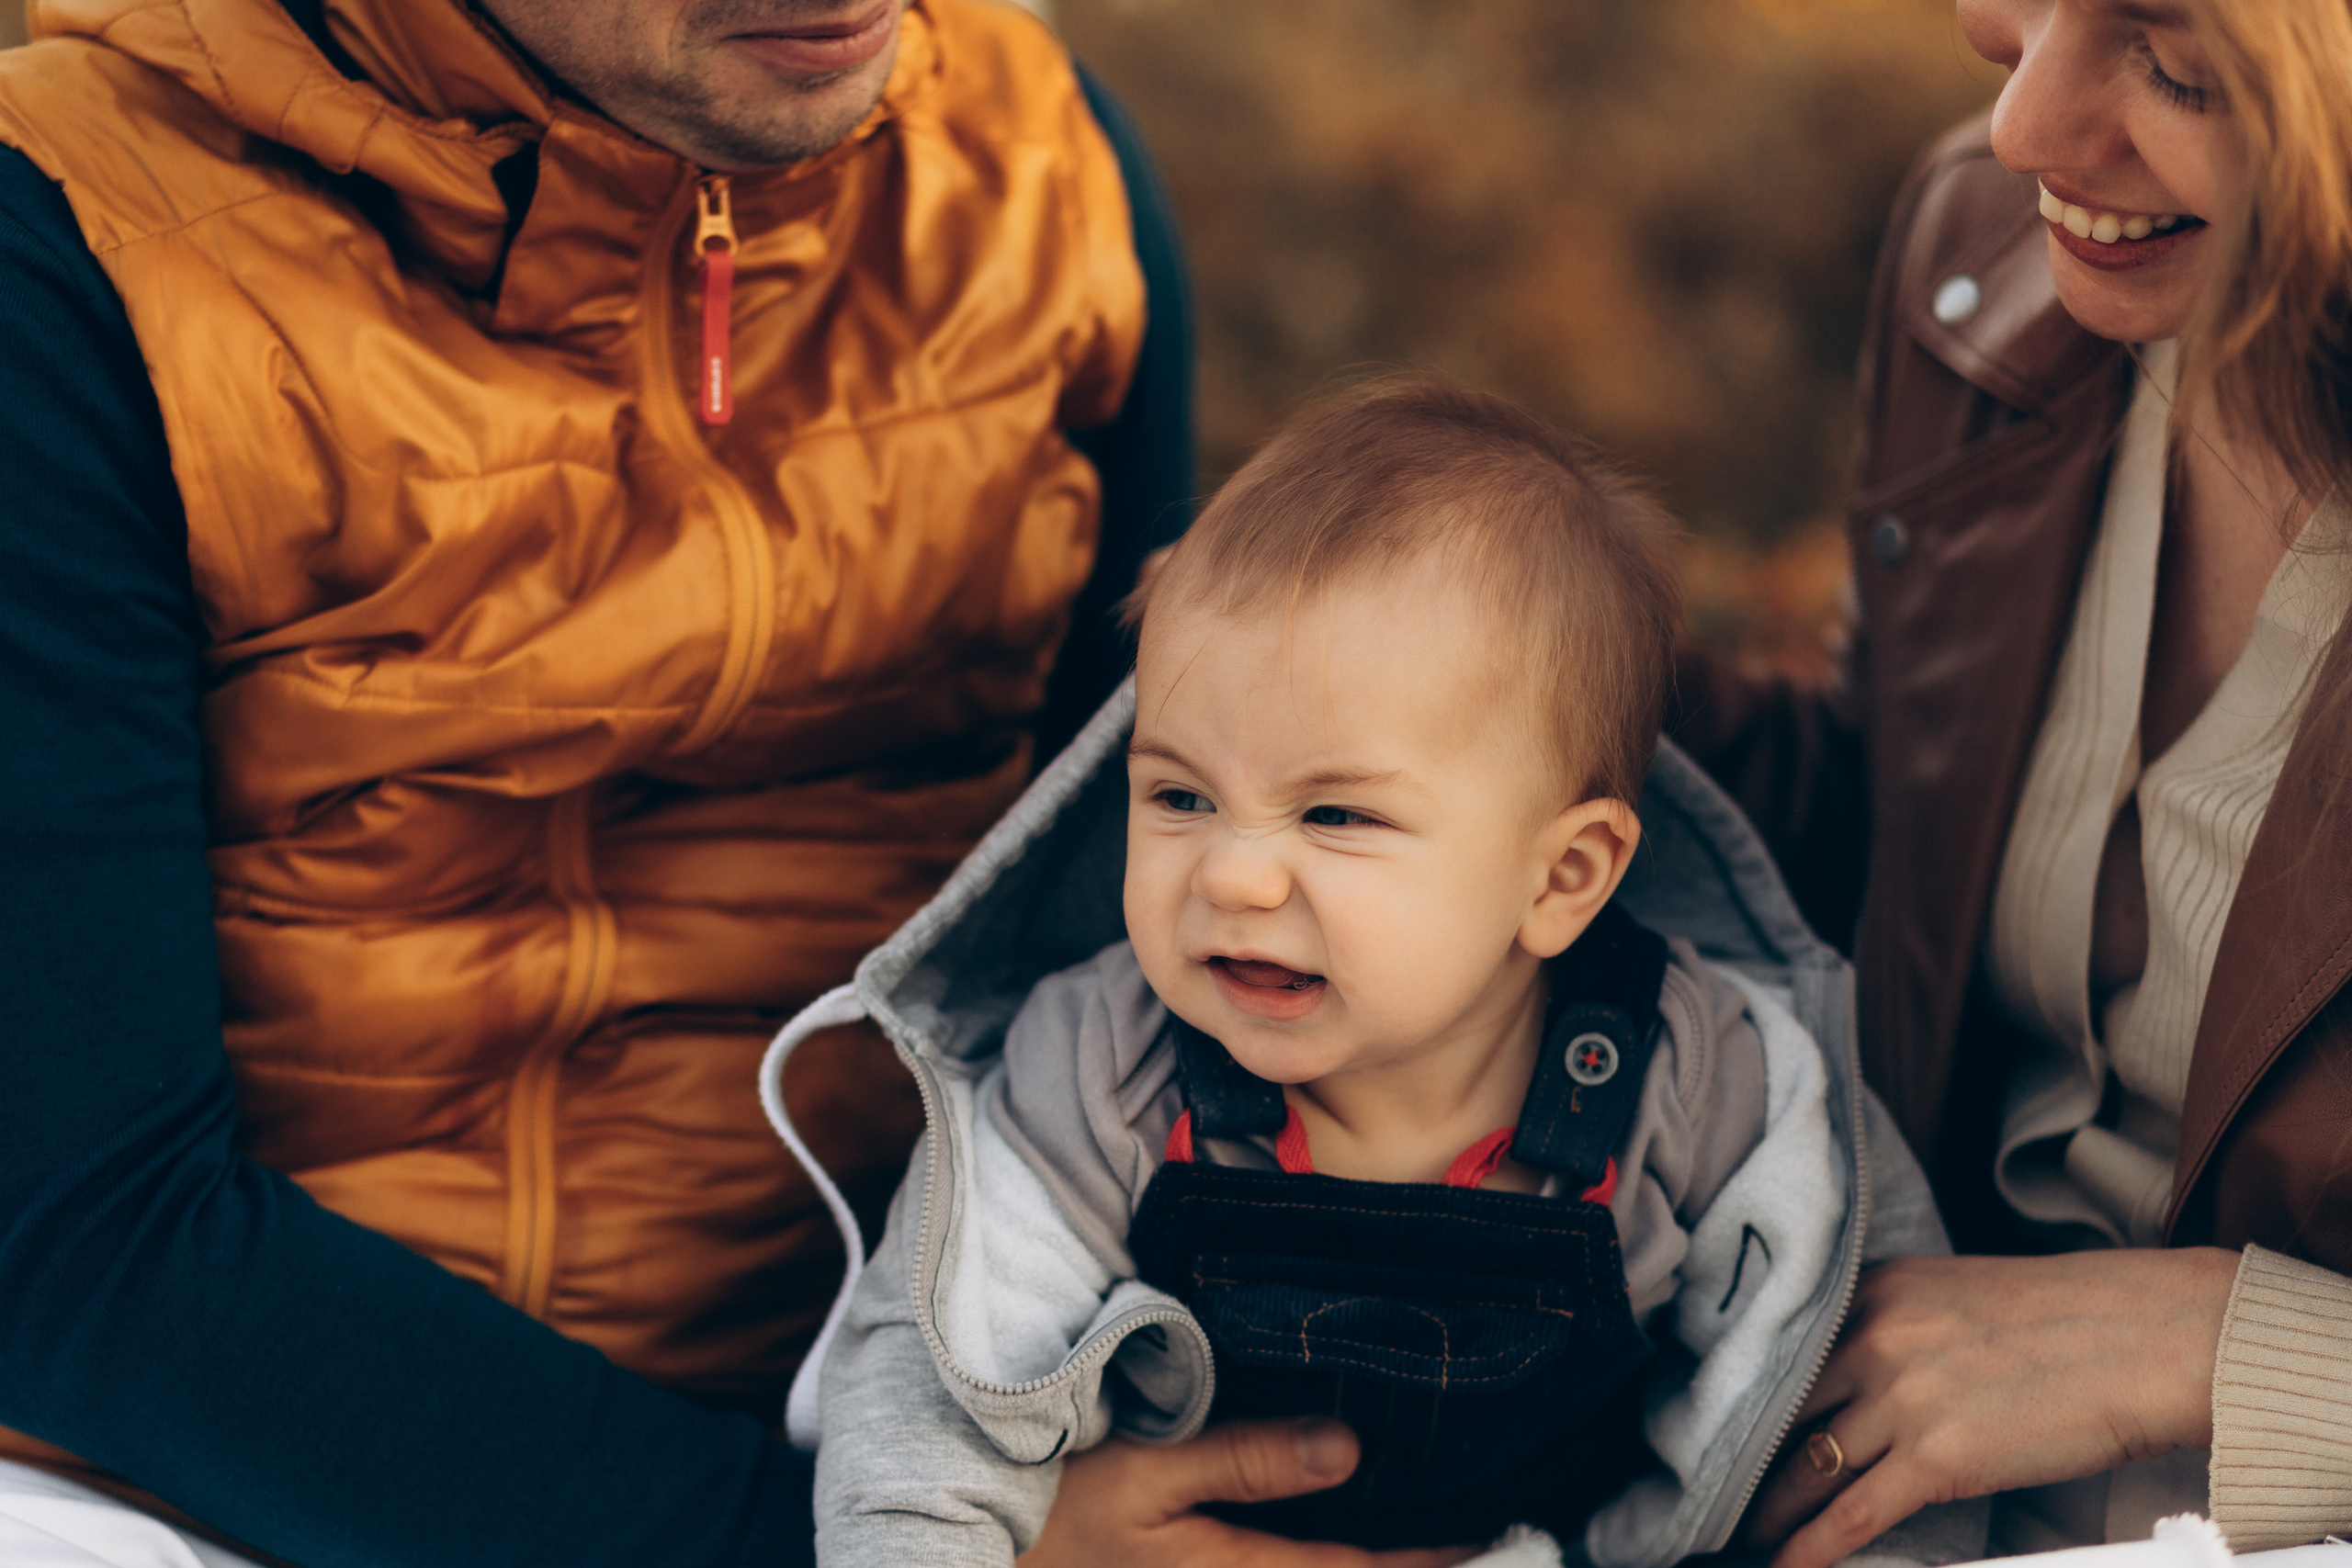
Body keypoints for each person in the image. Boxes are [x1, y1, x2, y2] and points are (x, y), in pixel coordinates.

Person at [0, 0, 1197, 1563]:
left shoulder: (1047, 186)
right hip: (195, 1489)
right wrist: (848, 1543)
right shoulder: (70, 258)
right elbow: (75, 1242)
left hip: (956, 1415)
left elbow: (1145, 979)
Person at [789, 380, 1967, 1567]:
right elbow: (932, 1388)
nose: (1236, 877)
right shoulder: (1103, 1074)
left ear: (1560, 878)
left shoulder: (1708, 1090)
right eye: (1180, 796)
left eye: (1338, 814)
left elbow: (1870, 1385)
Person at [1668, 0, 2352, 1561]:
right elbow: (1892, 826)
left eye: (2177, 61)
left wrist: (2227, 1352)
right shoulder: (1987, 261)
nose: (2025, 127)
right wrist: (1512, 670)